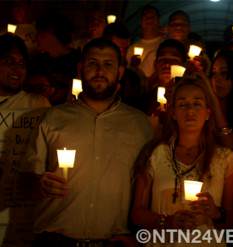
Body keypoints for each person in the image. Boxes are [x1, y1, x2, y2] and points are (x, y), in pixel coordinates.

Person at [19, 38, 152, 246]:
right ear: (80, 69)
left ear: (120, 72)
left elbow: (150, 189)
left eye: (108, 64)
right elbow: (25, 181)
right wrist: (39, 184)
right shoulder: (52, 117)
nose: (100, 70)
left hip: (114, 242)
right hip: (55, 241)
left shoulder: (141, 126)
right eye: (92, 63)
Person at [131, 76, 233, 246]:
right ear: (173, 112)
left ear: (208, 113)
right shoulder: (155, 154)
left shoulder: (225, 160)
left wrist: (216, 213)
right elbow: (137, 213)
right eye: (182, 104)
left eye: (197, 104)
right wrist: (167, 222)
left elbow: (231, 225)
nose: (190, 110)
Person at [0, 34, 50, 247]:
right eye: (9, 62)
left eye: (21, 63)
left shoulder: (38, 104)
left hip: (20, 212)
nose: (17, 69)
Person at [126, 5, 163, 78]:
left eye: (152, 17)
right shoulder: (132, 48)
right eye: (145, 17)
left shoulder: (165, 44)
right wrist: (133, 66)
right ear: (141, 22)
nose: (149, 19)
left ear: (158, 21)